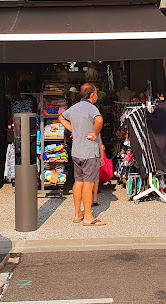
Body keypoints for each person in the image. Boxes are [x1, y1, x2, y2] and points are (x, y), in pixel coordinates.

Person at [58, 83, 106, 226]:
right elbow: (99, 120)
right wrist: (96, 133)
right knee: (88, 183)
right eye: (96, 93)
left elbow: (61, 117)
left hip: (76, 152)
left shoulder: (75, 107)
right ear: (92, 95)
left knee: (78, 181)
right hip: (89, 151)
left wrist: (74, 130)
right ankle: (88, 217)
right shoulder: (92, 108)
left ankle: (78, 214)